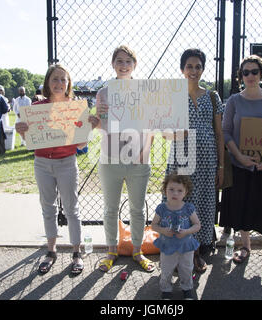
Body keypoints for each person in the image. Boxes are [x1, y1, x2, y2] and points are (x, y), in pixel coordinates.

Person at [89, 45, 155, 273]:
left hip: (138, 160)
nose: (124, 65)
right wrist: (93, 119)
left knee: (137, 209)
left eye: (128, 61)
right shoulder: (104, 93)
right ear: (113, 64)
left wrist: (143, 153)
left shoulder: (144, 91)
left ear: (135, 65)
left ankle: (138, 250)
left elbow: (150, 127)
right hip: (110, 159)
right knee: (110, 209)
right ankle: (111, 251)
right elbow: (101, 126)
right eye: (119, 61)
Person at [16, 64, 87, 276]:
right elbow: (31, 140)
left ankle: (76, 252)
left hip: (67, 162)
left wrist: (87, 126)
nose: (59, 83)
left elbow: (82, 146)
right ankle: (51, 251)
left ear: (68, 84)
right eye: (55, 79)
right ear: (48, 82)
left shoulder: (75, 107)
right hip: (42, 163)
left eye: (63, 79)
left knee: (71, 208)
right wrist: (22, 132)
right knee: (48, 207)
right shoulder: (38, 108)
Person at [220, 54, 262, 279]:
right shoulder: (234, 101)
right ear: (241, 76)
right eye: (245, 72)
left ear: (261, 73)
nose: (249, 75)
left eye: (254, 71)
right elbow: (226, 131)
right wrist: (238, 155)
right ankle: (245, 246)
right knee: (243, 206)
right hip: (242, 166)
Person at [164, 48, 225, 273]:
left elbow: (219, 133)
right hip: (181, 160)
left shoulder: (212, 96)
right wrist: (176, 134)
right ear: (182, 69)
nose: (193, 70)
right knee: (180, 203)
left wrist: (221, 165)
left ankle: (197, 252)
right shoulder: (172, 97)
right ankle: (177, 255)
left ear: (202, 69)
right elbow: (164, 132)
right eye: (189, 66)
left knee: (202, 205)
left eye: (198, 66)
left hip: (208, 163)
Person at [151, 172, 200, 300]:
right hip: (168, 246)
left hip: (186, 246)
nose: (175, 193)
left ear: (185, 192)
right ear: (165, 190)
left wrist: (186, 231)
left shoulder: (188, 208)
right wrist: (163, 230)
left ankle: (187, 288)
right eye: (171, 189)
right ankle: (166, 289)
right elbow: (154, 225)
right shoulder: (161, 208)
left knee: (186, 269)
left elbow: (197, 225)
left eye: (179, 190)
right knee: (166, 269)